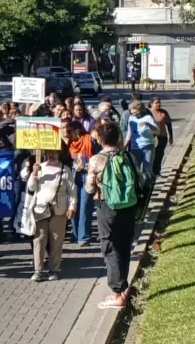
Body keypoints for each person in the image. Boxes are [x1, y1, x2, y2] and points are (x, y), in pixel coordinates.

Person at [86, 121, 137, 309]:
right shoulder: (128, 155)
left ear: (100, 139)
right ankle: (123, 286)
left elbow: (89, 187)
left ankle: (116, 292)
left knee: (109, 246)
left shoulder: (97, 160)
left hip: (107, 206)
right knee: (124, 244)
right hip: (129, 206)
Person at [26, 149, 77, 282]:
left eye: (55, 153)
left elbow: (72, 191)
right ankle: (38, 270)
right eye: (49, 153)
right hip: (40, 210)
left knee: (56, 241)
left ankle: (53, 269)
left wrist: (72, 207)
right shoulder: (40, 167)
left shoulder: (65, 170)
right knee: (39, 240)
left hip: (59, 211)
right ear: (45, 154)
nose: (52, 155)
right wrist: (34, 173)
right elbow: (31, 188)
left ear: (59, 154)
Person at [68, 120, 95, 246]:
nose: (68, 134)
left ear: (77, 131)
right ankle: (76, 234)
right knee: (74, 206)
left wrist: (85, 166)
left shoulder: (89, 140)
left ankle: (84, 237)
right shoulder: (70, 144)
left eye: (70, 131)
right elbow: (67, 161)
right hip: (73, 177)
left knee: (85, 206)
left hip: (86, 176)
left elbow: (96, 158)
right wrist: (74, 166)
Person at [124, 100, 159, 176]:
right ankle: (138, 186)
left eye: (134, 109)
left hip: (148, 146)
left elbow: (157, 131)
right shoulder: (131, 118)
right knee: (135, 170)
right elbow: (129, 133)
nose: (132, 111)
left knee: (147, 170)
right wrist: (124, 146)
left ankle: (148, 186)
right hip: (135, 148)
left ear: (139, 109)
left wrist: (148, 124)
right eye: (131, 110)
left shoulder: (148, 118)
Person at [150, 98, 173, 175]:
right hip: (151, 138)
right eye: (156, 103)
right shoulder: (148, 112)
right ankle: (151, 171)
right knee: (151, 155)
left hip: (162, 137)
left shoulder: (163, 113)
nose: (158, 104)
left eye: (159, 103)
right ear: (151, 104)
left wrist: (171, 136)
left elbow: (169, 125)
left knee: (159, 155)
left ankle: (156, 171)